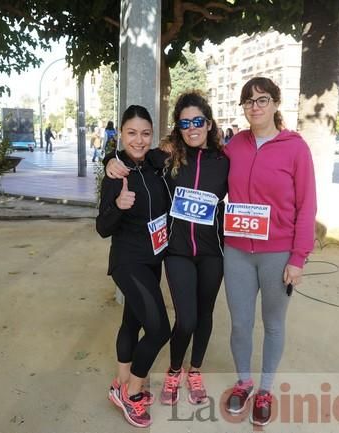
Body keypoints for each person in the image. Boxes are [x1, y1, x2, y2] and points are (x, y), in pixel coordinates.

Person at [105, 92, 229, 406]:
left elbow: (250, 188)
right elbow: (133, 155)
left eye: (197, 121)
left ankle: (194, 370)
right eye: (184, 122)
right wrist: (111, 161)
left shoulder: (225, 161)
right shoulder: (167, 158)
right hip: (175, 252)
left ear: (208, 123)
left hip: (212, 252)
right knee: (184, 320)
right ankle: (172, 371)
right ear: (178, 127)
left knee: (204, 316)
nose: (191, 127)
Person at [222, 77, 316, 426]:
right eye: (248, 101)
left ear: (276, 103)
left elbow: (307, 206)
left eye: (262, 99)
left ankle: (265, 388)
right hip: (236, 251)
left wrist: (298, 257)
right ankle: (244, 382)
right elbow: (196, 161)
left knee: (273, 324)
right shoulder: (234, 146)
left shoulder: (295, 148)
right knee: (240, 324)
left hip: (278, 253)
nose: (254, 106)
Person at [96, 105, 171, 428]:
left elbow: (178, 150)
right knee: (159, 329)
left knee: (132, 322)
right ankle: (133, 394)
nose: (138, 140)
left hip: (153, 258)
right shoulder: (117, 175)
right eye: (131, 133)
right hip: (128, 261)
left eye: (144, 133)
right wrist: (117, 205)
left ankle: (120, 382)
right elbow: (102, 227)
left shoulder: (156, 162)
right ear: (121, 135)